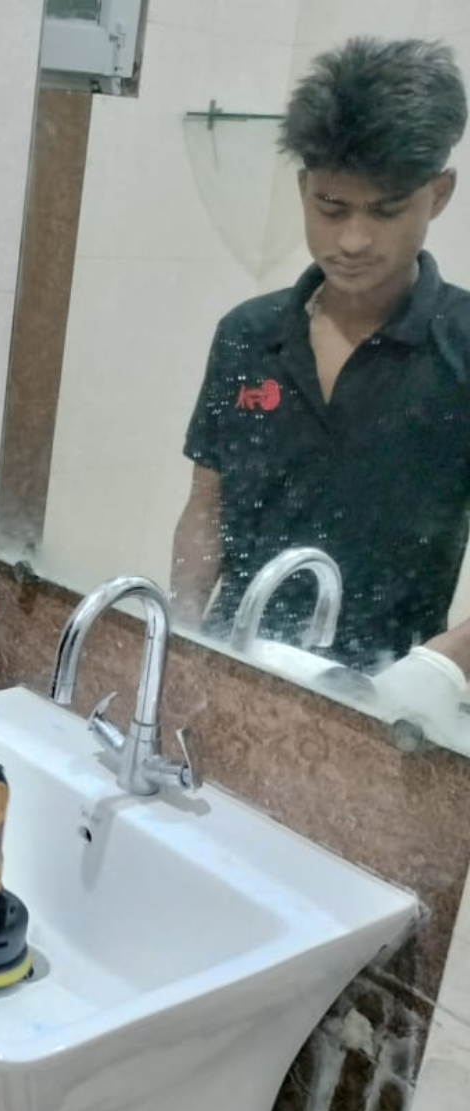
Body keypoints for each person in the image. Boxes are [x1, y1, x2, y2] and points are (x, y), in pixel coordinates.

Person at [171, 38, 470, 677]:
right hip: (231, 674)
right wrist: (183, 639)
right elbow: (207, 508)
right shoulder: (248, 334)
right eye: (331, 208)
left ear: (439, 194)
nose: (353, 240)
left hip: (384, 698)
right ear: (305, 187)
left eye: (386, 210)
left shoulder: (464, 347)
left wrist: (433, 672)